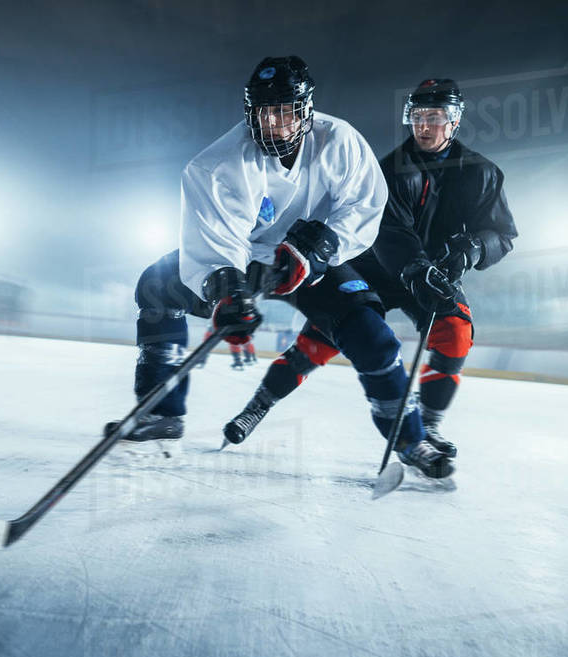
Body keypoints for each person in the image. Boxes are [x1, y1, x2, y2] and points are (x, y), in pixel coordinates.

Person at [106, 57, 454, 479]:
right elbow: (215, 242)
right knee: (157, 285)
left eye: (285, 111)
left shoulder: (339, 140)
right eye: (263, 112)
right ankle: (161, 415)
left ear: (305, 110)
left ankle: (411, 439)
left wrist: (322, 247)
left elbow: (364, 206)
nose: (273, 123)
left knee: (372, 335)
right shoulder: (216, 166)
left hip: (314, 262)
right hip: (247, 258)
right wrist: (228, 292)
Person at [224, 78, 517, 461]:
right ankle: (258, 406)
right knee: (317, 344)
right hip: (376, 268)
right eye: (418, 117)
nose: (424, 126)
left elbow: (501, 234)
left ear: (455, 120)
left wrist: (474, 249)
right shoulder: (391, 170)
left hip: (434, 274)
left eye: (434, 117)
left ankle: (428, 426)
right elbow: (389, 232)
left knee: (456, 331)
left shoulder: (482, 173)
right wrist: (417, 270)